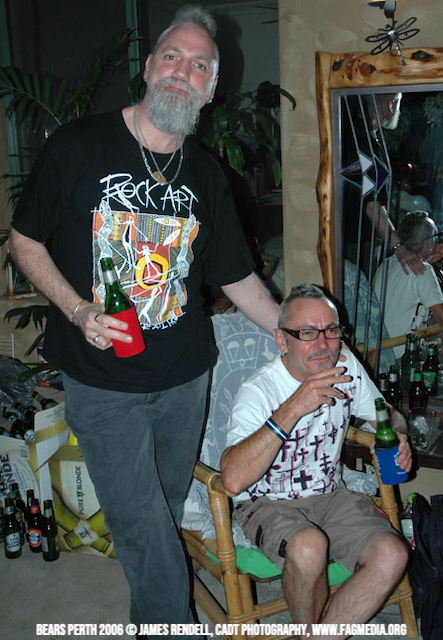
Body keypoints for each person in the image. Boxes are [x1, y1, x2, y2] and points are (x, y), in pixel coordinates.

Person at [8, 5, 279, 634]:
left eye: (199, 66)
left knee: (156, 523)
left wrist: (291, 330)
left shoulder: (206, 174)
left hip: (185, 380)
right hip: (103, 384)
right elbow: (25, 241)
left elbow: (237, 277)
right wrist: (77, 309)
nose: (183, 72)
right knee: (145, 534)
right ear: (151, 66)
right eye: (173, 58)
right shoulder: (79, 146)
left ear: (212, 88)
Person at [220, 284, 412, 640]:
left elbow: (387, 417)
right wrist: (294, 406)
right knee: (309, 546)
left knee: (392, 554)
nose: (323, 344)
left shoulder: (347, 367)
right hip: (265, 502)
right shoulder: (259, 390)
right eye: (307, 333)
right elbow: (232, 480)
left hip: (331, 495)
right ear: (282, 340)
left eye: (331, 330)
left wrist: (395, 435)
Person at [373, 210, 443, 359]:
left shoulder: (386, 264)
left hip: (379, 355)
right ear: (427, 242)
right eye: (436, 237)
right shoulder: (424, 271)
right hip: (402, 358)